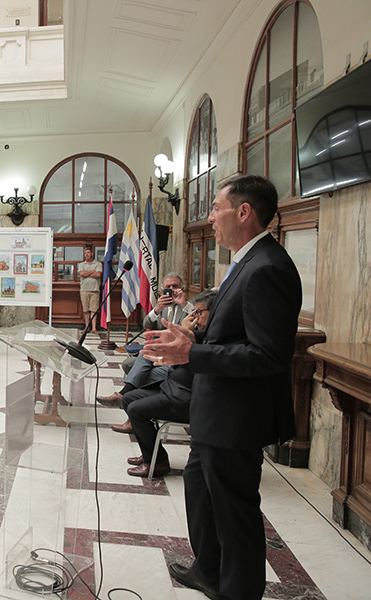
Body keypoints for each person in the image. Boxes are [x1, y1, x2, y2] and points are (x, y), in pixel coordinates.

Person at [143, 175, 302, 600]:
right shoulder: (244, 261)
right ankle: (208, 569)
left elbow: (268, 355)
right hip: (217, 410)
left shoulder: (267, 267)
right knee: (200, 489)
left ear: (244, 211)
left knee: (235, 515)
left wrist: (192, 356)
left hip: (237, 416)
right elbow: (236, 338)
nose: (210, 217)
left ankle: (236, 590)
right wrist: (193, 341)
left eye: (216, 207)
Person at [123, 289, 215, 478]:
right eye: (194, 312)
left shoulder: (213, 337)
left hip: (186, 399)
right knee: (128, 398)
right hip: (170, 388)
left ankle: (156, 463)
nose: (195, 317)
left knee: (136, 410)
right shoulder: (197, 332)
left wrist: (186, 332)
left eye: (199, 313)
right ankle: (153, 452)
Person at [98, 272, 194, 410]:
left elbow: (196, 322)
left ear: (182, 288)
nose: (172, 289)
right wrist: (157, 309)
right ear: (163, 289)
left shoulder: (188, 306)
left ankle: (127, 400)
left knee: (140, 370)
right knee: (129, 363)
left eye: (175, 286)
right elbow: (147, 325)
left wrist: (183, 303)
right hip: (158, 353)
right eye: (168, 286)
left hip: (175, 357)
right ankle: (131, 404)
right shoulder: (162, 306)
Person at [78, 247, 102, 330]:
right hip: (84, 290)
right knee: (85, 310)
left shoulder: (98, 264)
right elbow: (81, 273)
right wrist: (93, 271)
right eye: (85, 253)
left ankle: (94, 328)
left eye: (88, 252)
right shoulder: (81, 264)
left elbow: (98, 275)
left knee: (94, 310)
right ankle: (87, 327)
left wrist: (87, 273)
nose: (87, 254)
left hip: (95, 290)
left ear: (92, 254)